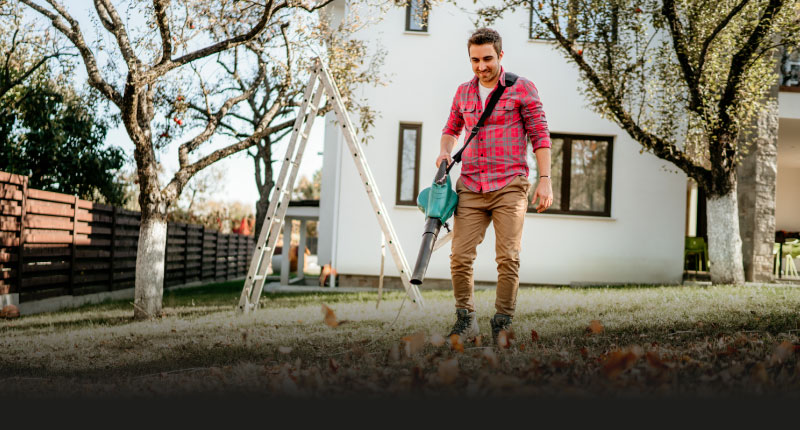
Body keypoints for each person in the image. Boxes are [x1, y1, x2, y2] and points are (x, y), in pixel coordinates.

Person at [436, 27, 553, 345]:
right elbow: (451, 127)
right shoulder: (463, 92)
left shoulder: (522, 88)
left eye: (487, 58)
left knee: (508, 257)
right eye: (474, 60)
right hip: (471, 185)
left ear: (501, 55)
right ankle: (466, 320)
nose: (481, 66)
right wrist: (446, 150)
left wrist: (544, 179)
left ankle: (502, 323)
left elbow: (540, 135)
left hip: (510, 185)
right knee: (460, 257)